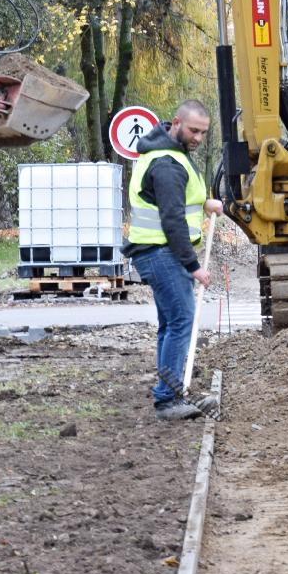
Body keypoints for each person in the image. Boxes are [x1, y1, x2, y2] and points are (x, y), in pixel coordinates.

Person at [123, 100, 223, 420]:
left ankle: (170, 391)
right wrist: (194, 266)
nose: (198, 138)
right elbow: (172, 220)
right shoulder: (167, 163)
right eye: (194, 130)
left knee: (170, 325)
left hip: (155, 252)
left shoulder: (168, 154)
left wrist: (205, 202)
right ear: (177, 123)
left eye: (204, 133)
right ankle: (168, 399)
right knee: (181, 322)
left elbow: (175, 199)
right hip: (162, 253)